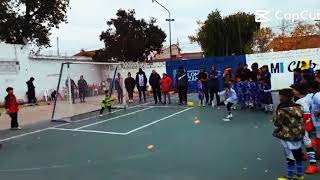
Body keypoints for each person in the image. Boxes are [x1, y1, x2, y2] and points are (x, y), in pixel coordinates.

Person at [273, 88, 305, 180]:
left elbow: (277, 123)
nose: (279, 97)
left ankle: (289, 176)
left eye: (280, 95)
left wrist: (275, 117)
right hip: (299, 134)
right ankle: (300, 175)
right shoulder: (299, 106)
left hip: (287, 135)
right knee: (298, 154)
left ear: (283, 96)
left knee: (289, 156)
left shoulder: (282, 109)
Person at [291, 83, 319, 174]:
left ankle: (313, 165)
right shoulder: (309, 96)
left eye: (294, 89)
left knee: (307, 143)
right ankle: (302, 155)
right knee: (302, 141)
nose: (293, 91)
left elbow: (306, 115)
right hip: (310, 123)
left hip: (303, 125)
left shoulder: (301, 101)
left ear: (298, 91)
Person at [310, 82, 320, 161]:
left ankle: (319, 153)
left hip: (318, 121)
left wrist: (318, 112)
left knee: (318, 136)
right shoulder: (315, 95)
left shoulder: (317, 95)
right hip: (317, 120)